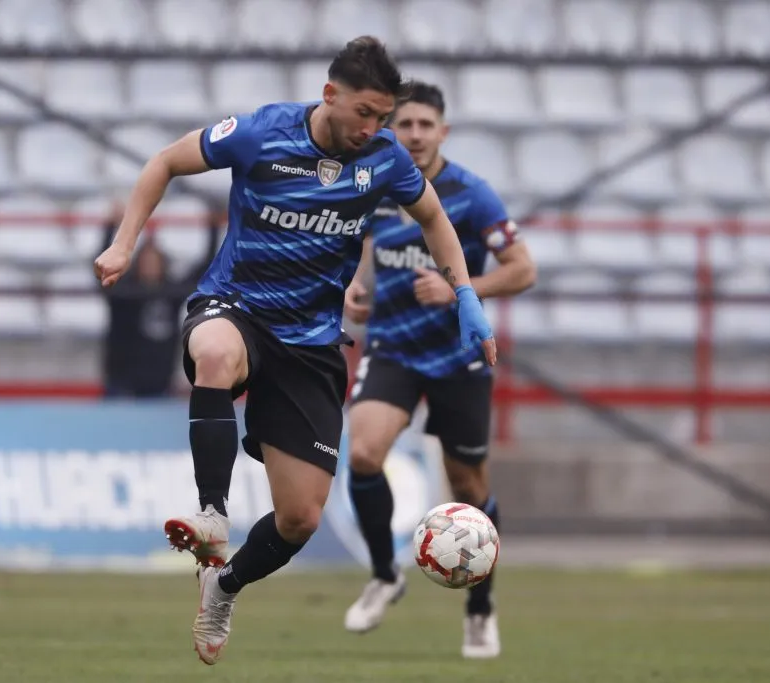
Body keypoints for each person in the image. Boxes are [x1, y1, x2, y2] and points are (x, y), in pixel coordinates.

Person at [93, 37, 497, 666]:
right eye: (364, 112)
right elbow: (164, 163)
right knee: (216, 355)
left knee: (300, 519)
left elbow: (434, 218)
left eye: (382, 117)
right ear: (330, 94)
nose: (373, 128)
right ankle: (211, 516)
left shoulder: (384, 158)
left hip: (310, 344)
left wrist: (467, 296)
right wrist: (124, 245)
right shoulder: (260, 133)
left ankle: (223, 586)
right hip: (238, 306)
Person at [341, 81, 536, 659]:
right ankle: (384, 574)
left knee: (471, 488)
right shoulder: (372, 184)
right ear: (388, 131)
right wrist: (356, 285)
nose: (416, 134)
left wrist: (462, 290)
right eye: (406, 125)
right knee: (363, 453)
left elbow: (523, 270)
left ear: (442, 132)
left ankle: (480, 608)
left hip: (459, 357)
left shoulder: (471, 194)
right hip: (394, 349)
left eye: (426, 125)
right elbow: (364, 250)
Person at [99, 204, 219, 398]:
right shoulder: (124, 292)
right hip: (122, 385)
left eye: (155, 261)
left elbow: (205, 270)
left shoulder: (170, 292)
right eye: (146, 261)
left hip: (159, 385)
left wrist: (212, 230)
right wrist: (110, 227)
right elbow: (103, 270)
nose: (151, 266)